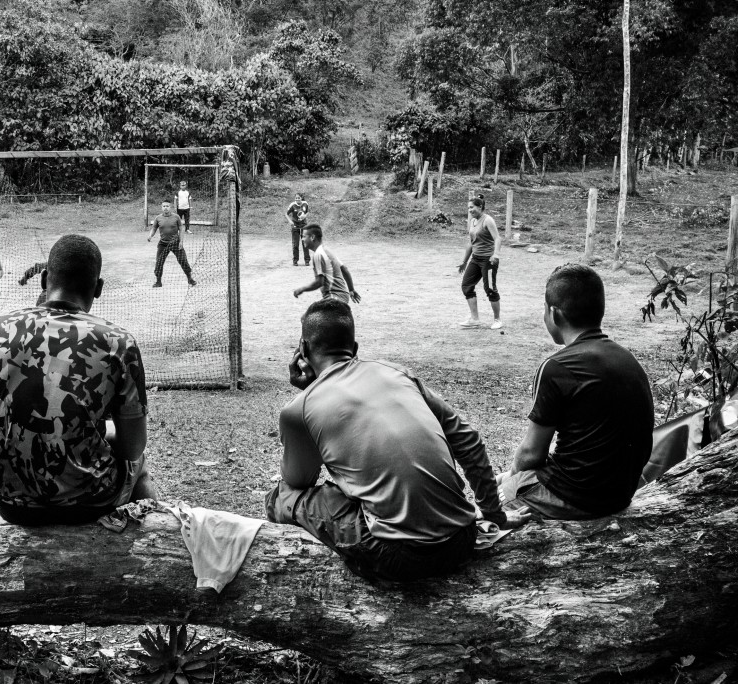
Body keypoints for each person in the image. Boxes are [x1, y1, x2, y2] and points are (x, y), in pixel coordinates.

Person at [265, 299, 528, 582]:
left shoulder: (299, 409)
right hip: (461, 540)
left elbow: (297, 481)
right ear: (353, 349)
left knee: (282, 497)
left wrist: (308, 396)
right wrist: (494, 514)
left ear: (302, 349)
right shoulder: (397, 373)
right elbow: (470, 442)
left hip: (398, 557)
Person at [0, 234, 158, 525]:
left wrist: (20, 425)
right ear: (98, 288)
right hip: (90, 502)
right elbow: (132, 447)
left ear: (44, 278)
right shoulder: (118, 343)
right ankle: (153, 537)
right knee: (139, 464)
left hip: (12, 502)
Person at [499, 264, 654, 520]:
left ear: (554, 313)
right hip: (619, 494)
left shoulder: (557, 366)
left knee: (492, 506)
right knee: (510, 481)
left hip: (577, 497)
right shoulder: (627, 359)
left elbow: (531, 454)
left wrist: (510, 480)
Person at [458, 194, 503, 329]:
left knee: (489, 289)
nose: (470, 210)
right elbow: (471, 243)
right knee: (466, 286)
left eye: (472, 207)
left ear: (480, 206)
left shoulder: (487, 220)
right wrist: (464, 261)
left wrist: (496, 254)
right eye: (468, 208)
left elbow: (497, 239)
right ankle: (474, 319)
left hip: (488, 260)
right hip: (475, 259)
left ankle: (497, 320)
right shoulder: (472, 222)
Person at [292, 224, 361, 304]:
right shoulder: (326, 250)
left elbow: (319, 282)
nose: (302, 239)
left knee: (311, 315)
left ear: (312, 237)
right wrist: (351, 289)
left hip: (333, 297)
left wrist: (301, 289)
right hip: (343, 295)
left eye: (304, 236)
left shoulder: (318, 254)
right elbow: (344, 269)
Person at [148, 200, 196, 287]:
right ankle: (158, 282)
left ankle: (190, 279)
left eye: (167, 206)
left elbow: (181, 228)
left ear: (170, 207)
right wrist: (150, 236)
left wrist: (181, 241)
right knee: (159, 262)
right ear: (161, 207)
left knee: (183, 261)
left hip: (176, 243)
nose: (165, 208)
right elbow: (154, 228)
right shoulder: (158, 218)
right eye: (164, 206)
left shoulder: (176, 217)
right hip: (163, 244)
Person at [286, 192, 311, 266]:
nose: (297, 199)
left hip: (304, 226)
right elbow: (286, 214)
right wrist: (290, 221)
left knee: (305, 243)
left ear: (301, 198)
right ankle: (295, 260)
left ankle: (307, 260)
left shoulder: (305, 204)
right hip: (295, 227)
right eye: (296, 198)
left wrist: (304, 216)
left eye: (298, 198)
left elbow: (307, 212)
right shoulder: (292, 205)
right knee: (295, 244)